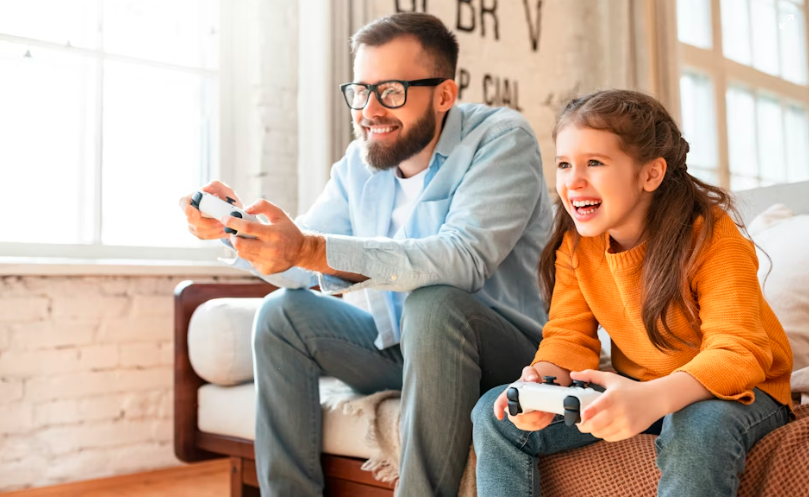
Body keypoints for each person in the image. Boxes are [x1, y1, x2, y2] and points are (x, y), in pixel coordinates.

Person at [180, 12, 553, 496]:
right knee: (281, 314)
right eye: (361, 91)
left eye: (391, 91)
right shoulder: (361, 163)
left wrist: (309, 249)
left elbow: (464, 259)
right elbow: (300, 257)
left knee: (434, 300)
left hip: (505, 353)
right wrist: (239, 233)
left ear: (443, 95)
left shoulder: (502, 139)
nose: (369, 110)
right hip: (403, 348)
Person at [472, 89, 794, 497]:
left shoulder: (712, 238)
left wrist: (653, 398)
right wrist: (542, 385)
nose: (573, 181)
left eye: (594, 163)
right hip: (640, 390)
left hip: (740, 392)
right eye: (564, 164)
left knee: (696, 422)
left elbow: (739, 353)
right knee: (493, 413)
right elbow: (568, 337)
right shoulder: (577, 246)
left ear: (650, 174)